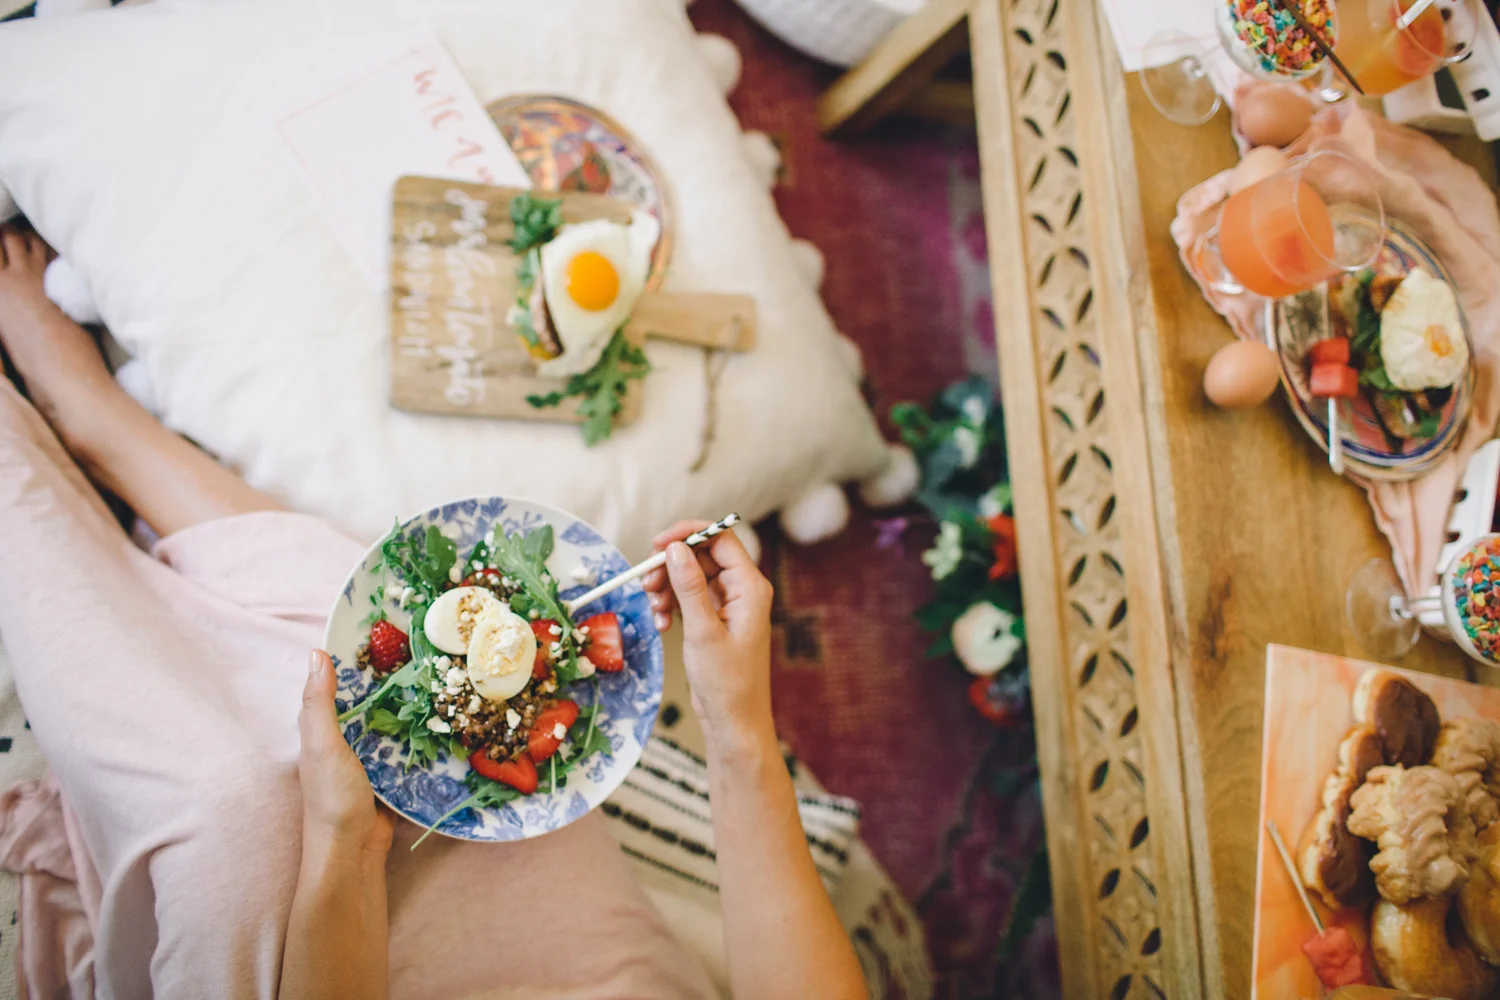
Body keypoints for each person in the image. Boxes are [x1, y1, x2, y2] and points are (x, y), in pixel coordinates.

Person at [0, 224, 867, 1000]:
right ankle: (101, 426)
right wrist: (735, 721)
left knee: (230, 809)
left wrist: (346, 845)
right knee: (375, 622)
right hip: (597, 965)